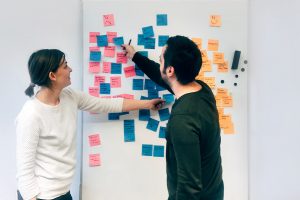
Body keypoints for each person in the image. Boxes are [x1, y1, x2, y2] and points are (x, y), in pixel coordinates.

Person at [16, 49, 164, 200]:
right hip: (40, 196)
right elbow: (24, 173)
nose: (70, 69)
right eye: (65, 66)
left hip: (63, 193)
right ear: (52, 76)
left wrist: (147, 104)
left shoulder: (70, 97)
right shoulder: (30, 115)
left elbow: (106, 104)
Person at [123, 35, 223, 200]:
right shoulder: (203, 90)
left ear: (170, 70)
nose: (159, 61)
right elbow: (163, 77)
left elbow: (189, 188)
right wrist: (135, 56)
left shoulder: (182, 121)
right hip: (214, 192)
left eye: (161, 59)